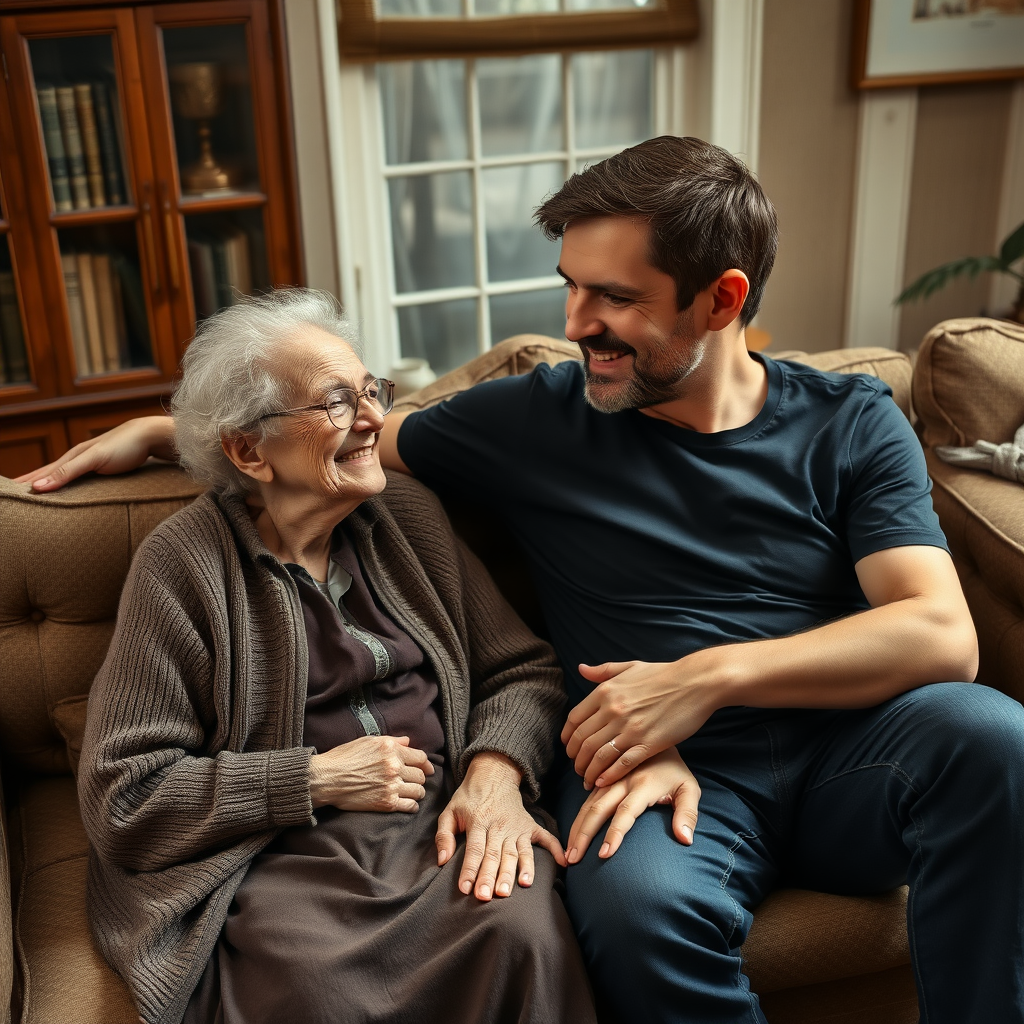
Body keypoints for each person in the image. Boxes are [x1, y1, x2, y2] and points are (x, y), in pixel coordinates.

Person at [23, 136, 1024, 1024]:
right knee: (633, 917)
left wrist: (705, 677)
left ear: (722, 298)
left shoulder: (851, 421)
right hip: (646, 770)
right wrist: (176, 430)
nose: (577, 322)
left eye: (615, 298)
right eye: (569, 286)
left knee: (992, 737)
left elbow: (938, 637)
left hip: (847, 754)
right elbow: (334, 438)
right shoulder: (536, 417)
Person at [74, 289, 595, 1024]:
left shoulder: (407, 516)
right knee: (319, 990)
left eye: (371, 390)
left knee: (521, 931)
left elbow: (521, 671)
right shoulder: (183, 565)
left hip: (445, 820)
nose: (376, 418)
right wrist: (312, 777)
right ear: (250, 450)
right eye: (337, 402)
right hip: (282, 854)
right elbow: (124, 794)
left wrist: (494, 775)